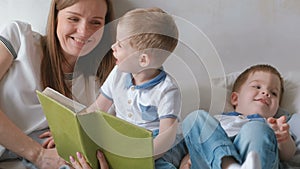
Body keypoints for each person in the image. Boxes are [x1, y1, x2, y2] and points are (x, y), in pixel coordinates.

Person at [0, 0, 115, 168]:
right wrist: (38, 155)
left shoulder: (101, 89)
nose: (84, 32)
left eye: (96, 22)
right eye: (74, 19)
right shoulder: (20, 37)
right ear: (55, 17)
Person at [85, 7, 187, 169]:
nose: (113, 47)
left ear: (143, 60)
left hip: (155, 146)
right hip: (125, 139)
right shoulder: (118, 73)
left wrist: (139, 156)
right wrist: (75, 128)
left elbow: (166, 138)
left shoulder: (167, 89)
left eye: (120, 45)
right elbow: (98, 108)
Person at [181, 64, 296, 169]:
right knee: (196, 118)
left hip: (259, 159)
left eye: (274, 93)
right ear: (235, 98)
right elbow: (197, 144)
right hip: (212, 163)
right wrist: (186, 162)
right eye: (257, 87)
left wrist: (284, 139)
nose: (266, 93)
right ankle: (230, 166)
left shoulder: (273, 125)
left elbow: (288, 155)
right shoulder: (216, 120)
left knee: (256, 128)